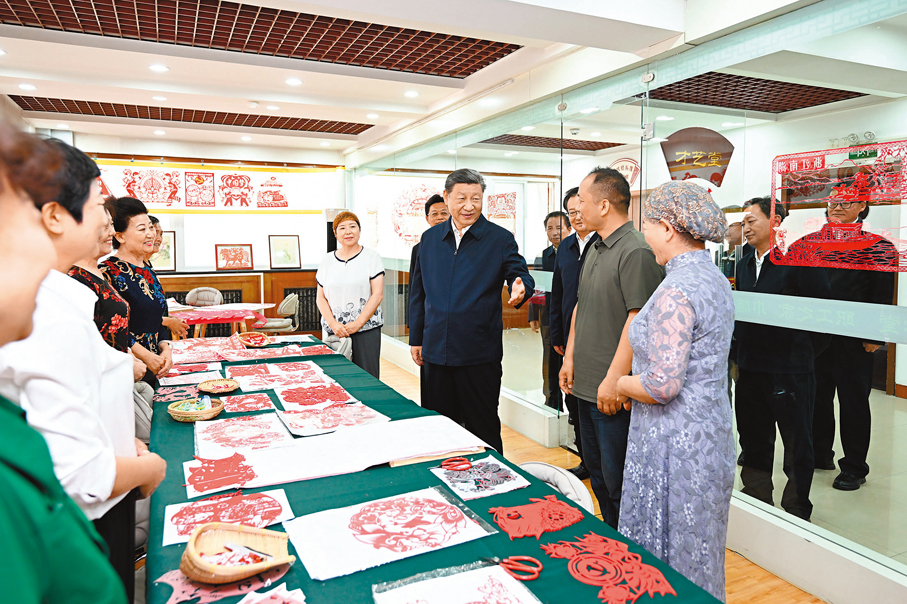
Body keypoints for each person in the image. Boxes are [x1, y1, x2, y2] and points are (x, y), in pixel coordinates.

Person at [0, 139, 167, 601]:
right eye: (99, 204)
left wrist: (118, 441)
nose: (105, 220)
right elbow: (76, 475)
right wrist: (147, 466)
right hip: (95, 506)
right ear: (54, 215)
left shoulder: (63, 296)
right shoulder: (43, 309)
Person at [615, 181, 735, 602]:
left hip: (675, 445)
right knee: (699, 549)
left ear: (666, 228)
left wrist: (622, 383)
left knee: (670, 554)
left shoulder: (676, 290)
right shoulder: (714, 279)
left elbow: (662, 384)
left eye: (647, 222)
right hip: (710, 434)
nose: (644, 232)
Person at [559, 167, 663, 528]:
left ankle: (631, 557)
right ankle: (611, 543)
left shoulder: (635, 250)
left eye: (582, 202)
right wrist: (569, 357)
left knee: (620, 483)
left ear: (603, 205)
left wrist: (614, 378)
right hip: (585, 384)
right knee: (599, 477)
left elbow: (640, 319)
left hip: (611, 390)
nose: (577, 209)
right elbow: (579, 305)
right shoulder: (594, 246)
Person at [409, 168, 533, 454]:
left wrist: (520, 286)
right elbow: (418, 293)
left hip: (479, 353)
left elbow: (519, 273)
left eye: (476, 198)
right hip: (436, 349)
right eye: (461, 198)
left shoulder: (499, 239)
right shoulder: (429, 240)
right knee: (438, 424)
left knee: (483, 426)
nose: (469, 206)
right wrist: (417, 337)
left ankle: (493, 486)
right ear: (446, 197)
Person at [734, 196, 831, 520]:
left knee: (796, 443)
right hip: (751, 369)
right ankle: (758, 497)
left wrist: (800, 355)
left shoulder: (801, 258)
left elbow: (823, 316)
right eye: (743, 222)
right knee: (754, 439)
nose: (745, 227)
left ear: (775, 222)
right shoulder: (745, 261)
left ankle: (796, 509)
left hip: (790, 371)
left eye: (752, 220)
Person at [806, 199, 896, 489]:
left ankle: (855, 467)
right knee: (817, 397)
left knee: (853, 402)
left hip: (855, 338)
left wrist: (874, 335)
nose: (838, 205)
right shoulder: (811, 243)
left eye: (848, 201)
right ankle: (821, 454)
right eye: (834, 200)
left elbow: (883, 293)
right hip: (817, 334)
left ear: (862, 207)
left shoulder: (878, 246)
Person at [69, 198, 155, 442]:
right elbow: (85, 339)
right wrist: (129, 359)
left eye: (110, 226)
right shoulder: (77, 277)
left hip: (121, 379)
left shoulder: (95, 271)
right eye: (104, 227)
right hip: (103, 384)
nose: (110, 233)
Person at [550, 187, 600, 480]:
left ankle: (599, 463)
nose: (577, 216)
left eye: (581, 209)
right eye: (572, 212)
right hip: (567, 340)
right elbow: (558, 294)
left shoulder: (602, 243)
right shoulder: (566, 248)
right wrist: (557, 334)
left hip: (595, 338)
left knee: (592, 399)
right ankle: (585, 457)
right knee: (572, 399)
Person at [102, 197, 175, 383]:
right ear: (120, 236)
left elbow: (158, 316)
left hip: (157, 366)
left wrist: (165, 348)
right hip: (132, 369)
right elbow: (112, 328)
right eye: (142, 229)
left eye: (151, 227)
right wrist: (146, 356)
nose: (151, 234)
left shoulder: (147, 268)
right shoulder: (108, 272)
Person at [316, 211, 385, 378]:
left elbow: (377, 294)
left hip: (366, 329)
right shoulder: (327, 261)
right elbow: (321, 297)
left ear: (359, 231)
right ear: (336, 234)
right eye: (342, 228)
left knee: (367, 377)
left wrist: (358, 323)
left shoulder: (371, 257)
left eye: (352, 226)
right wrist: (332, 323)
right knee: (338, 378)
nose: (348, 231)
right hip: (335, 331)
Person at [529, 211, 571, 410]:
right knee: (549, 359)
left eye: (559, 228)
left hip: (569, 314)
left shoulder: (574, 252)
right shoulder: (543, 256)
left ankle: (572, 403)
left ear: (569, 229)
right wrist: (533, 315)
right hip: (547, 315)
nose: (554, 233)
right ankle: (551, 401)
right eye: (550, 228)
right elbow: (536, 287)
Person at [410, 194, 449, 403]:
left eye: (444, 213)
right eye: (435, 214)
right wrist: (416, 338)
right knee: (433, 389)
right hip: (430, 329)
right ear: (427, 218)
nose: (440, 217)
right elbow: (416, 294)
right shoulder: (420, 247)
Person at [146, 214, 188, 339]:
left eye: (161, 234)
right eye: (154, 233)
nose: (158, 238)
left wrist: (170, 319)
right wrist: (168, 321)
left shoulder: (148, 265)